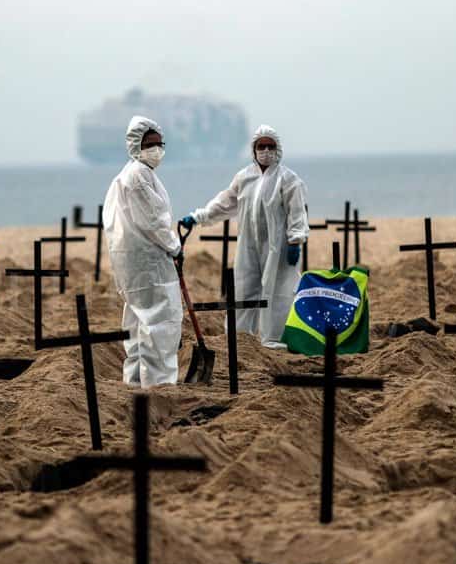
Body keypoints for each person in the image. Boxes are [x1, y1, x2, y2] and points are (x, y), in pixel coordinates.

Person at [181, 125, 309, 349]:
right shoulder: (244, 177)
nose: (266, 151)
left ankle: (274, 338)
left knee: (277, 291)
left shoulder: (288, 179)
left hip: (278, 248)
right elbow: (224, 204)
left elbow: (297, 212)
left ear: (278, 149)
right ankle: (241, 339)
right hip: (248, 245)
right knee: (244, 289)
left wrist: (295, 240)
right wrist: (198, 216)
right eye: (261, 146)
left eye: (271, 146)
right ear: (254, 149)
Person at [103, 116, 183, 388]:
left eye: (159, 143)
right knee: (160, 325)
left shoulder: (129, 174)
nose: (156, 149)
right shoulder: (138, 176)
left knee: (138, 325)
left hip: (133, 265)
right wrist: (175, 247)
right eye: (149, 144)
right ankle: (158, 385)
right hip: (150, 265)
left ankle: (135, 381)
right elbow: (154, 221)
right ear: (135, 145)